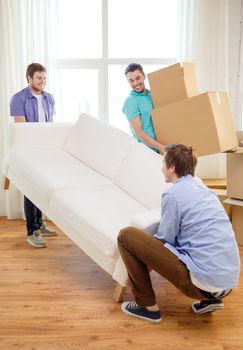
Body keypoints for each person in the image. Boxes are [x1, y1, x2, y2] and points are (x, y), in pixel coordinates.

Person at [118, 144, 240, 324]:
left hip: (203, 285)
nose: (161, 168)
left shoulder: (173, 195)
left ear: (172, 167)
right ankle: (212, 299)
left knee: (126, 236)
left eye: (163, 163)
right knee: (204, 245)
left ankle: (147, 307)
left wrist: (138, 268)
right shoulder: (206, 192)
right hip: (227, 283)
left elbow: (165, 240)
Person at [10, 62, 57, 248]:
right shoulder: (18, 99)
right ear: (29, 78)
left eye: (44, 78)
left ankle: (40, 224)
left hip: (46, 150)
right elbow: (23, 130)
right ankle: (32, 231)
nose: (42, 81)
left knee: (41, 188)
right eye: (39, 78)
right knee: (30, 190)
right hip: (28, 150)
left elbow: (51, 125)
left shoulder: (49, 98)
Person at [123, 63, 165, 154]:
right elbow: (139, 133)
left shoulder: (152, 95)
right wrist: (161, 147)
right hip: (145, 153)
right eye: (131, 80)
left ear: (144, 76)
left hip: (160, 150)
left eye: (138, 78)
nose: (135, 83)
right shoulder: (130, 102)